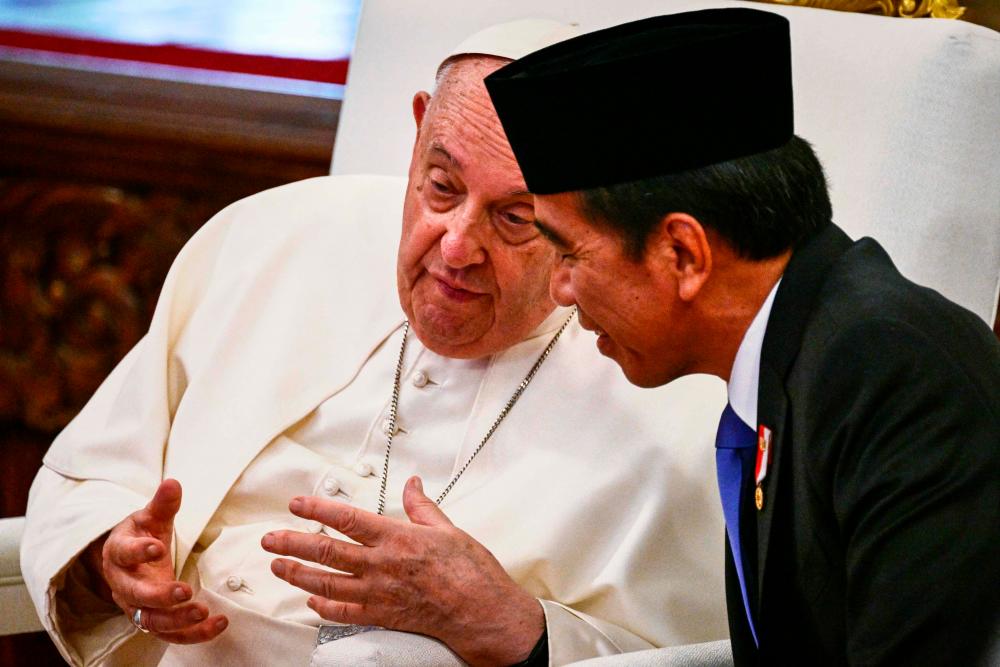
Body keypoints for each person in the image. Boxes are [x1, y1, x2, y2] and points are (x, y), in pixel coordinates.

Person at [20, 20, 729, 667]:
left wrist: (517, 628)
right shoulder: (279, 237)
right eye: (442, 186)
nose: (455, 246)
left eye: (515, 217)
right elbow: (89, 475)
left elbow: (703, 652)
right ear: (419, 132)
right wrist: (107, 554)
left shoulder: (676, 392)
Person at [486, 8, 1000, 666]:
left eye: (569, 254)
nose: (560, 289)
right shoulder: (801, 350)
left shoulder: (893, 369)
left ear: (683, 254)